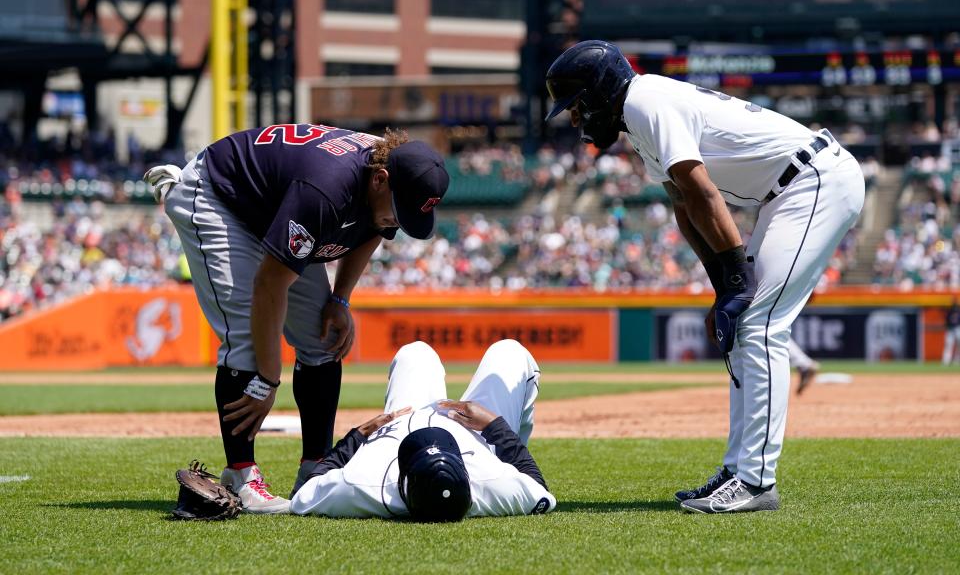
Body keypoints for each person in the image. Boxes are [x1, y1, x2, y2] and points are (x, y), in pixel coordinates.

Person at [545, 41, 864, 514]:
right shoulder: (639, 113)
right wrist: (724, 284)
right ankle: (739, 470)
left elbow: (701, 189)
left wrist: (737, 276)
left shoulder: (643, 101)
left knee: (758, 324)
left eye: (576, 106)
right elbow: (683, 205)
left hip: (815, 180)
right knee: (741, 326)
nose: (575, 119)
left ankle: (755, 481)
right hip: (790, 190)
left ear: (599, 92)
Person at [144, 124, 449, 514]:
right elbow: (269, 286)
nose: (398, 221)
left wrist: (340, 297)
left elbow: (376, 227)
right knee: (246, 340)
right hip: (220, 194)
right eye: (399, 209)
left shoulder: (390, 170)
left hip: (274, 204)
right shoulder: (328, 186)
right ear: (379, 180)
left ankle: (316, 469)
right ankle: (240, 473)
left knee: (322, 337)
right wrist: (268, 380)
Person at [290, 339, 557, 520]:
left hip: (398, 427)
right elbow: (537, 485)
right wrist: (495, 426)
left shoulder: (365, 484)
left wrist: (359, 435)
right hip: (477, 439)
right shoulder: (492, 483)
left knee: (415, 352)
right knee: (510, 351)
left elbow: (304, 492)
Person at [942, 298, 960, 365]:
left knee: (958, 346)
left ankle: (957, 361)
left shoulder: (958, 310)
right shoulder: (949, 311)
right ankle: (946, 361)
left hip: (958, 328)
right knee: (948, 345)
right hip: (950, 329)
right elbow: (946, 321)